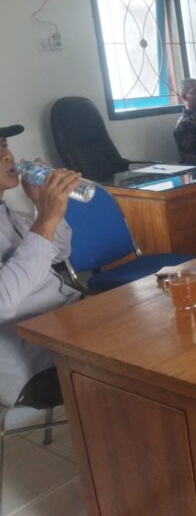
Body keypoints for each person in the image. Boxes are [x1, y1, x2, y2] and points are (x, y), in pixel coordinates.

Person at [0, 124, 83, 407]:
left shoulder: (7, 212)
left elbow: (58, 253)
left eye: (4, 144)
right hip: (35, 358)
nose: (6, 155)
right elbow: (3, 302)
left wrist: (39, 204)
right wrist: (46, 218)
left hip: (67, 320)